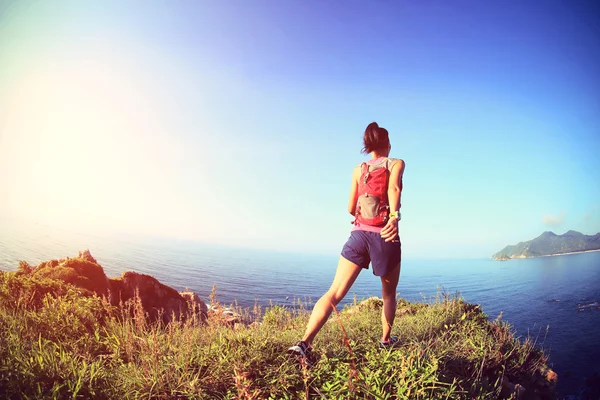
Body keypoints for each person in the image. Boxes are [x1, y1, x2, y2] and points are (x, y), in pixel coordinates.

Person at [288, 122, 405, 365]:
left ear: (367, 146)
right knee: (388, 294)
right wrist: (393, 216)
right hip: (385, 235)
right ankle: (385, 341)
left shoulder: (358, 170)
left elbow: (350, 208)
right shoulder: (396, 163)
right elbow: (394, 187)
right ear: (387, 143)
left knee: (334, 292)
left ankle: (304, 344)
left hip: (359, 235)